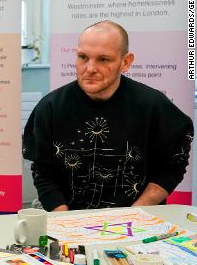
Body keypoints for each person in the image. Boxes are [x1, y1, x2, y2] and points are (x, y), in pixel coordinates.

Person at [23, 21, 193, 212]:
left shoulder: (153, 106)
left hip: (138, 222)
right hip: (68, 221)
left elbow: (173, 164)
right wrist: (63, 221)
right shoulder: (50, 108)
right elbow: (42, 170)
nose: (90, 68)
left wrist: (137, 211)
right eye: (83, 57)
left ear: (126, 62)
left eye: (103, 59)